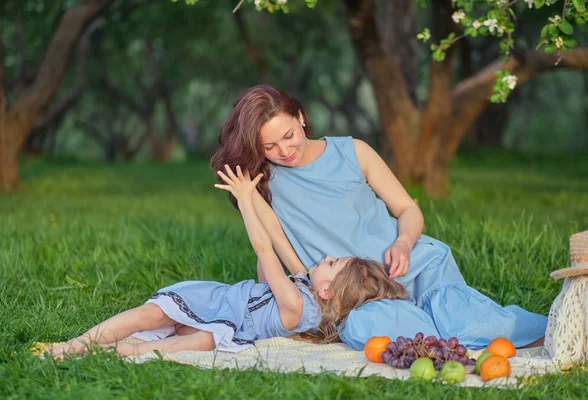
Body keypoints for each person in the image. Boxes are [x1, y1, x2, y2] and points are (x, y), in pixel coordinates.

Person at [211, 85, 548, 350]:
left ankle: (557, 331)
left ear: (301, 117)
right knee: (376, 330)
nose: (284, 151)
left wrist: (403, 243)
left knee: (460, 316)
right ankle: (441, 335)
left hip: (414, 267)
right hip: (356, 295)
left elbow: (408, 209)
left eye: (288, 136)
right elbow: (270, 247)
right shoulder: (264, 181)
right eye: (269, 146)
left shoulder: (352, 151)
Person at [47, 166, 407, 359]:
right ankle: (77, 344)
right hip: (215, 302)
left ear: (327, 290)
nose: (325, 257)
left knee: (205, 341)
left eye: (332, 262)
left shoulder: (299, 306)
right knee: (151, 314)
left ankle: (127, 351)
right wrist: (255, 200)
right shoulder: (304, 293)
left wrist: (246, 201)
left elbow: (266, 250)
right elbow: (270, 253)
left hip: (226, 326)